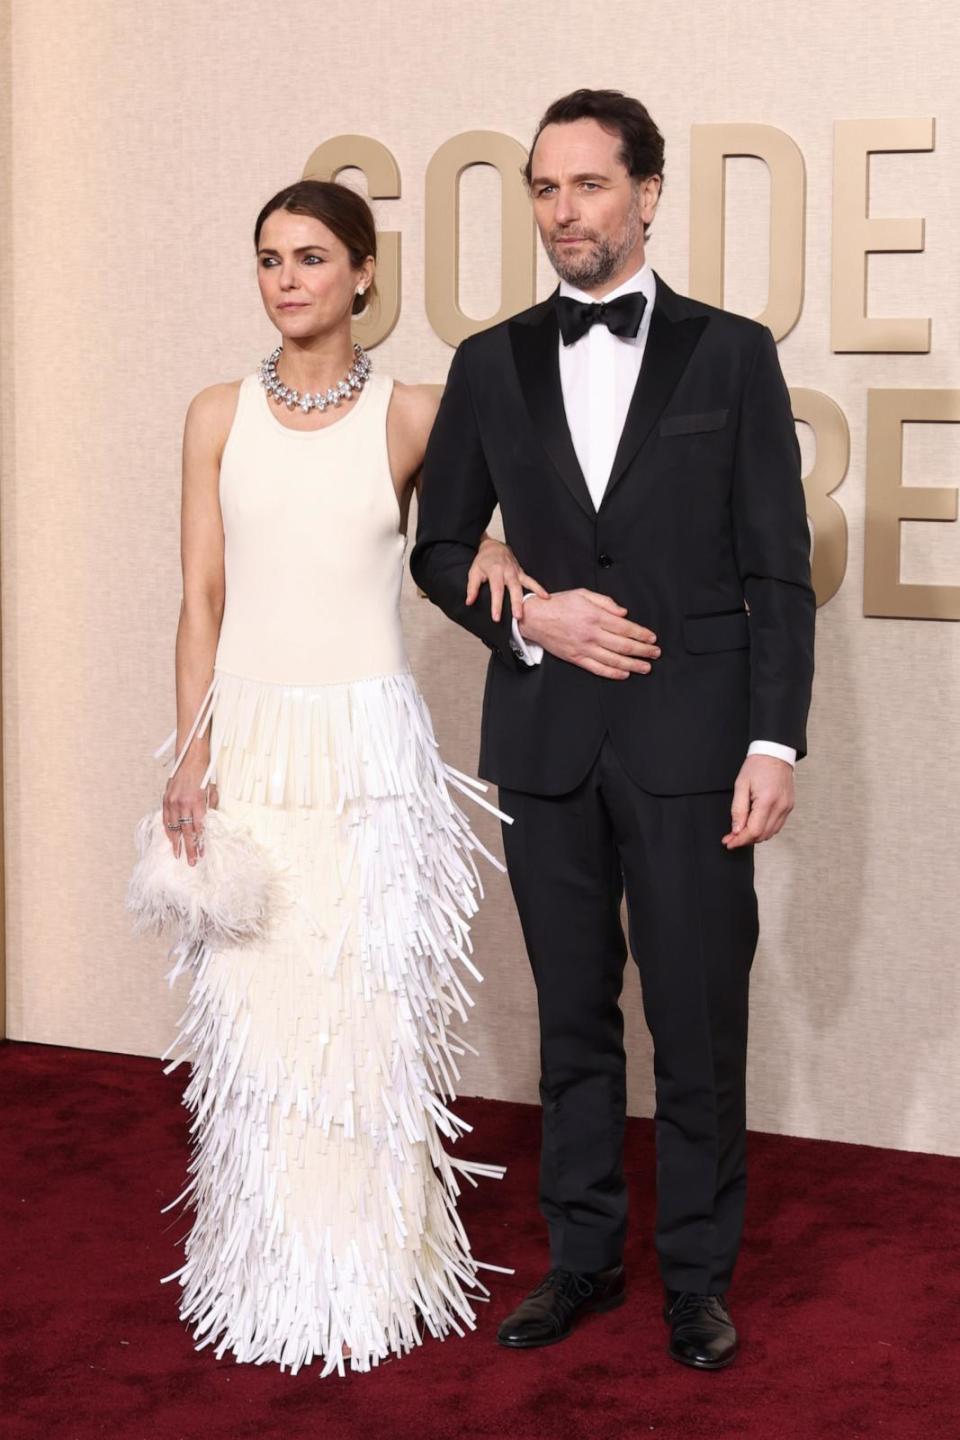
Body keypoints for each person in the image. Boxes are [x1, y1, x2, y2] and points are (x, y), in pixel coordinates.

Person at [411, 89, 815, 1371]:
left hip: (700, 749)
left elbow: (778, 572)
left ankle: (697, 1278)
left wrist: (775, 742)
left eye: (588, 184)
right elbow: (436, 549)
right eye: (544, 187)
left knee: (696, 1021)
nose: (563, 210)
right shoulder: (491, 363)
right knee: (573, 1019)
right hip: (545, 741)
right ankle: (582, 1260)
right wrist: (536, 614)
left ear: (646, 195)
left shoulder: (733, 353)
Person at [156, 179, 525, 1376]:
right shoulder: (216, 413)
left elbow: (466, 535)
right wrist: (191, 752)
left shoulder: (416, 412)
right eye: (270, 258)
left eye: (312, 257)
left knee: (365, 1016)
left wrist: (512, 557)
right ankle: (265, 1267)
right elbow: (200, 597)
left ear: (364, 272)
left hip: (370, 752)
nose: (288, 278)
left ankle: (373, 1272)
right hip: (253, 745)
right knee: (260, 1020)